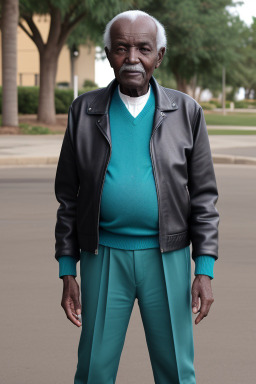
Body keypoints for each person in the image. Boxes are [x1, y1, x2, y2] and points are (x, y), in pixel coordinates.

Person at [55, 10, 219, 384]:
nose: (132, 58)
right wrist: (68, 269)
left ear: (159, 56)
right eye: (121, 48)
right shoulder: (83, 111)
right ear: (109, 53)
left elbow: (205, 198)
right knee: (94, 369)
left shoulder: (186, 112)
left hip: (168, 257)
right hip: (102, 257)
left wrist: (204, 269)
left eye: (143, 48)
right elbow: (68, 199)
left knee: (177, 370)